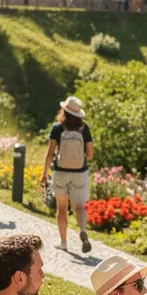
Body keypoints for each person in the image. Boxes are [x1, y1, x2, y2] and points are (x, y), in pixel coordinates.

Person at [40, 96, 94, 254]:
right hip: (79, 173)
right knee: (79, 206)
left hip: (60, 172)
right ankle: (82, 230)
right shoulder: (84, 129)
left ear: (64, 111)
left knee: (62, 208)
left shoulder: (57, 128)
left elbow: (50, 154)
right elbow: (90, 155)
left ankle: (63, 242)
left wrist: (44, 173)